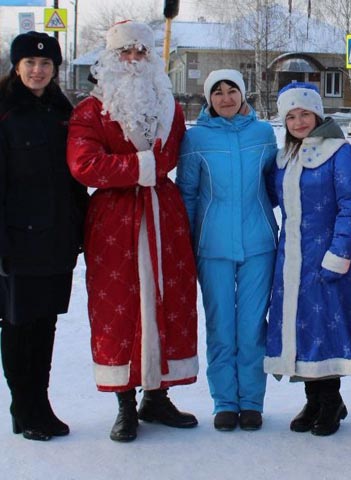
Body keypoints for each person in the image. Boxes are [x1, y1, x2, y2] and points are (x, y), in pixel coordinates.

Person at [66, 20, 198, 442]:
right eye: (126, 52)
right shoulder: (90, 110)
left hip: (164, 213)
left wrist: (153, 172)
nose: (135, 59)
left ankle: (156, 397)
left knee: (168, 298)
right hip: (115, 220)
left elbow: (173, 154)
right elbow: (84, 164)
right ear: (110, 58)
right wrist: (140, 168)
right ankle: (124, 400)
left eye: (141, 52)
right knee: (118, 306)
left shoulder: (170, 107)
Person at [177, 69, 278, 432]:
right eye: (216, 92)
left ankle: (251, 402)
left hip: (259, 244)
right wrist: (187, 242)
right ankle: (224, 401)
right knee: (221, 326)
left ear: (243, 93)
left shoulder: (264, 134)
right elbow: (187, 193)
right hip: (212, 246)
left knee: (252, 327)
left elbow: (275, 184)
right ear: (208, 99)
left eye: (231, 90)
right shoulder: (196, 139)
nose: (225, 98)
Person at [0, 31, 88, 441]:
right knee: (19, 324)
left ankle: (41, 403)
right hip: (17, 241)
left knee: (45, 324)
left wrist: (82, 228)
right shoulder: (4, 111)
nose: (38, 70)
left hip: (57, 239)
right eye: (31, 63)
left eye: (46, 64)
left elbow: (75, 178)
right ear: (17, 66)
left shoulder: (61, 109)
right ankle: (25, 407)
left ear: (55, 69)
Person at [263, 82, 351, 436]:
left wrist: (339, 254)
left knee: (325, 328)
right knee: (299, 329)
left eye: (304, 113)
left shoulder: (339, 152)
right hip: (290, 260)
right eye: (291, 116)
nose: (298, 121)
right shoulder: (284, 156)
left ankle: (331, 400)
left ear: (318, 114)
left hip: (325, 259)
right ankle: (313, 398)